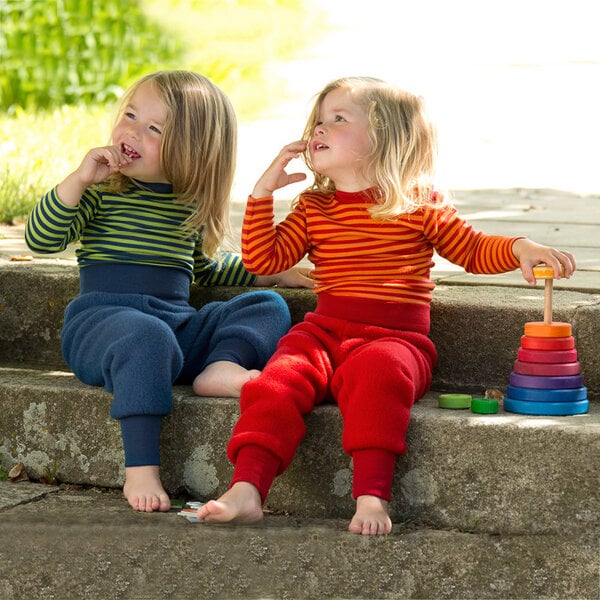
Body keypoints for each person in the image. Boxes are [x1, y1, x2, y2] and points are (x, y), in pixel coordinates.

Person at [196, 76, 576, 535]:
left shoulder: (418, 205)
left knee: (378, 373)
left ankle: (371, 496)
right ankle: (247, 489)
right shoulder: (313, 207)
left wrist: (518, 247)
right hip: (322, 334)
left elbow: (472, 249)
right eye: (318, 120)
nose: (319, 129)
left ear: (386, 139)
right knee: (276, 380)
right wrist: (261, 194)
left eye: (338, 120)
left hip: (396, 341)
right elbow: (264, 259)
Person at [24, 70, 312, 513]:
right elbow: (41, 240)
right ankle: (140, 466)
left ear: (193, 150)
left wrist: (266, 275)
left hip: (172, 331)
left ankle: (219, 367)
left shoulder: (187, 207)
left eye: (153, 129)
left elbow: (204, 270)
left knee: (266, 306)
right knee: (146, 336)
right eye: (131, 115)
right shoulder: (101, 192)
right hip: (100, 326)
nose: (131, 131)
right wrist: (77, 181)